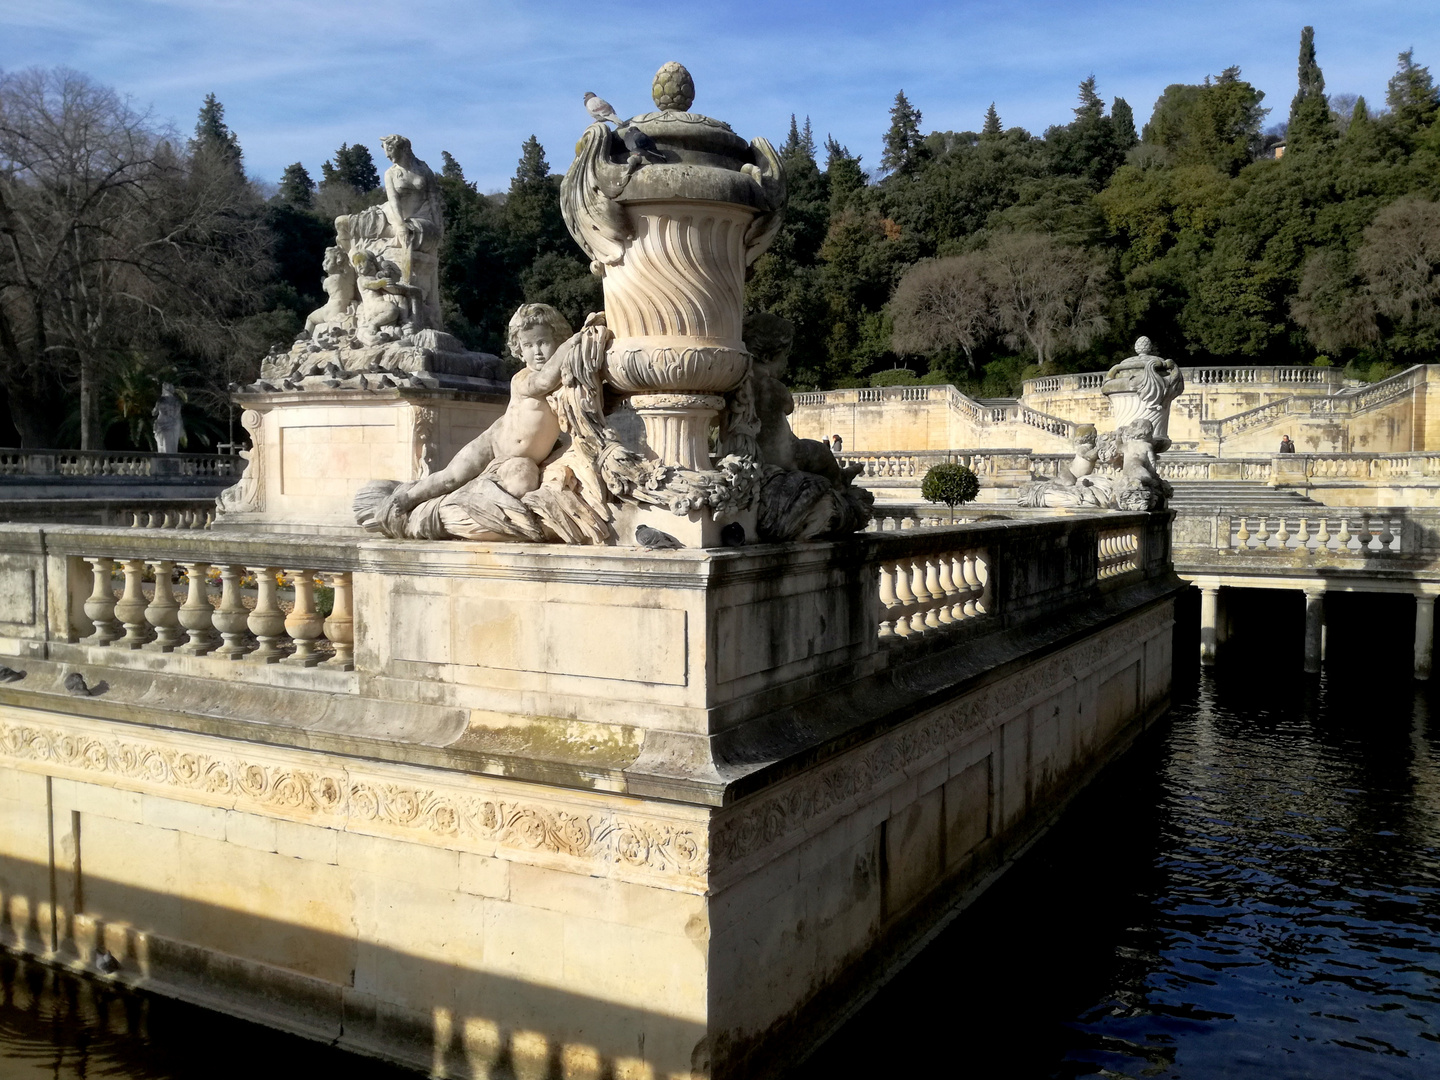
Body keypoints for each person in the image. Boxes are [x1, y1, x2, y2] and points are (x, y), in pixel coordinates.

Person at [383, 304, 572, 515]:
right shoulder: (523, 378)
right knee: (451, 477)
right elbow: (544, 381)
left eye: (543, 342)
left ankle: (477, 495)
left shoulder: (565, 382)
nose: (536, 352)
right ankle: (411, 496)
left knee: (521, 486)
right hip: (493, 442)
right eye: (528, 345)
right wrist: (573, 342)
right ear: (519, 349)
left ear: (557, 340)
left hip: (522, 459)